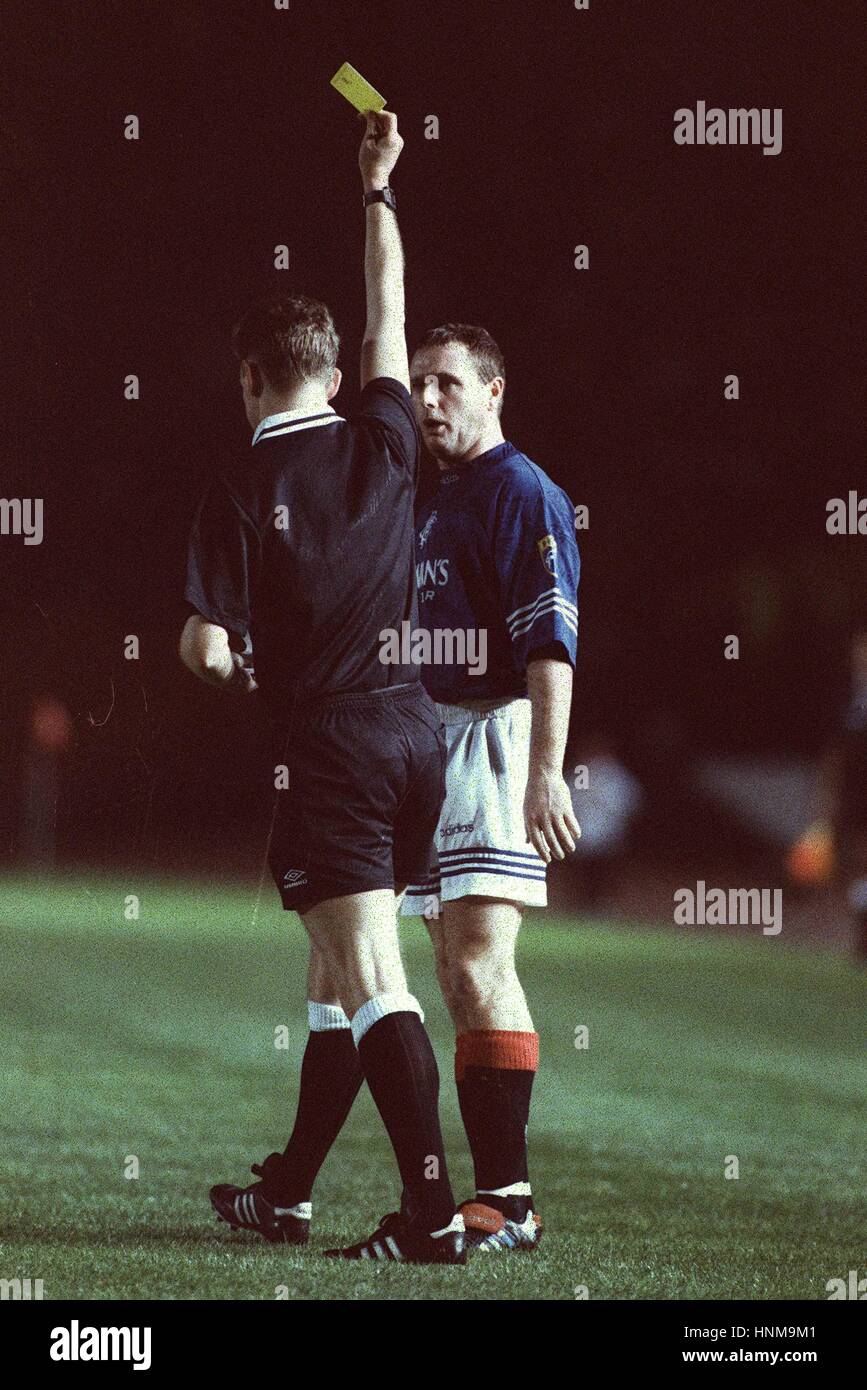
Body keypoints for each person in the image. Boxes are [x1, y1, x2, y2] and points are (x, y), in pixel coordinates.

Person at [179, 111, 465, 1265]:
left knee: (371, 976)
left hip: (334, 749)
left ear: (251, 378)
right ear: (337, 371)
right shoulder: (386, 434)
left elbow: (203, 649)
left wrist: (240, 661)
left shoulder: (242, 481)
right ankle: (290, 1190)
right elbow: (392, 307)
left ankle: (434, 1212)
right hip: (416, 737)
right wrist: (376, 190)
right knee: (334, 976)